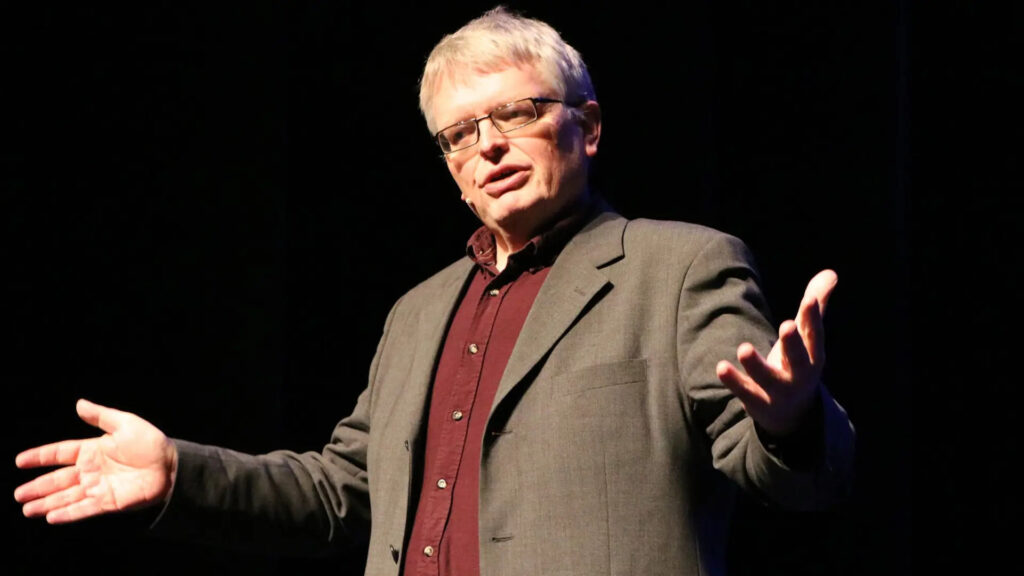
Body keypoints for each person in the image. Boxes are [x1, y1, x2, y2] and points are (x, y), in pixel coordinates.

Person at [14, 6, 855, 576]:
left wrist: (791, 421)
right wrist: (179, 472)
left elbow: (793, 478)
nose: (488, 146)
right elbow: (340, 492)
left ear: (588, 127)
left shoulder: (678, 268)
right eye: (460, 134)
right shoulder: (417, 313)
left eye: (516, 113)